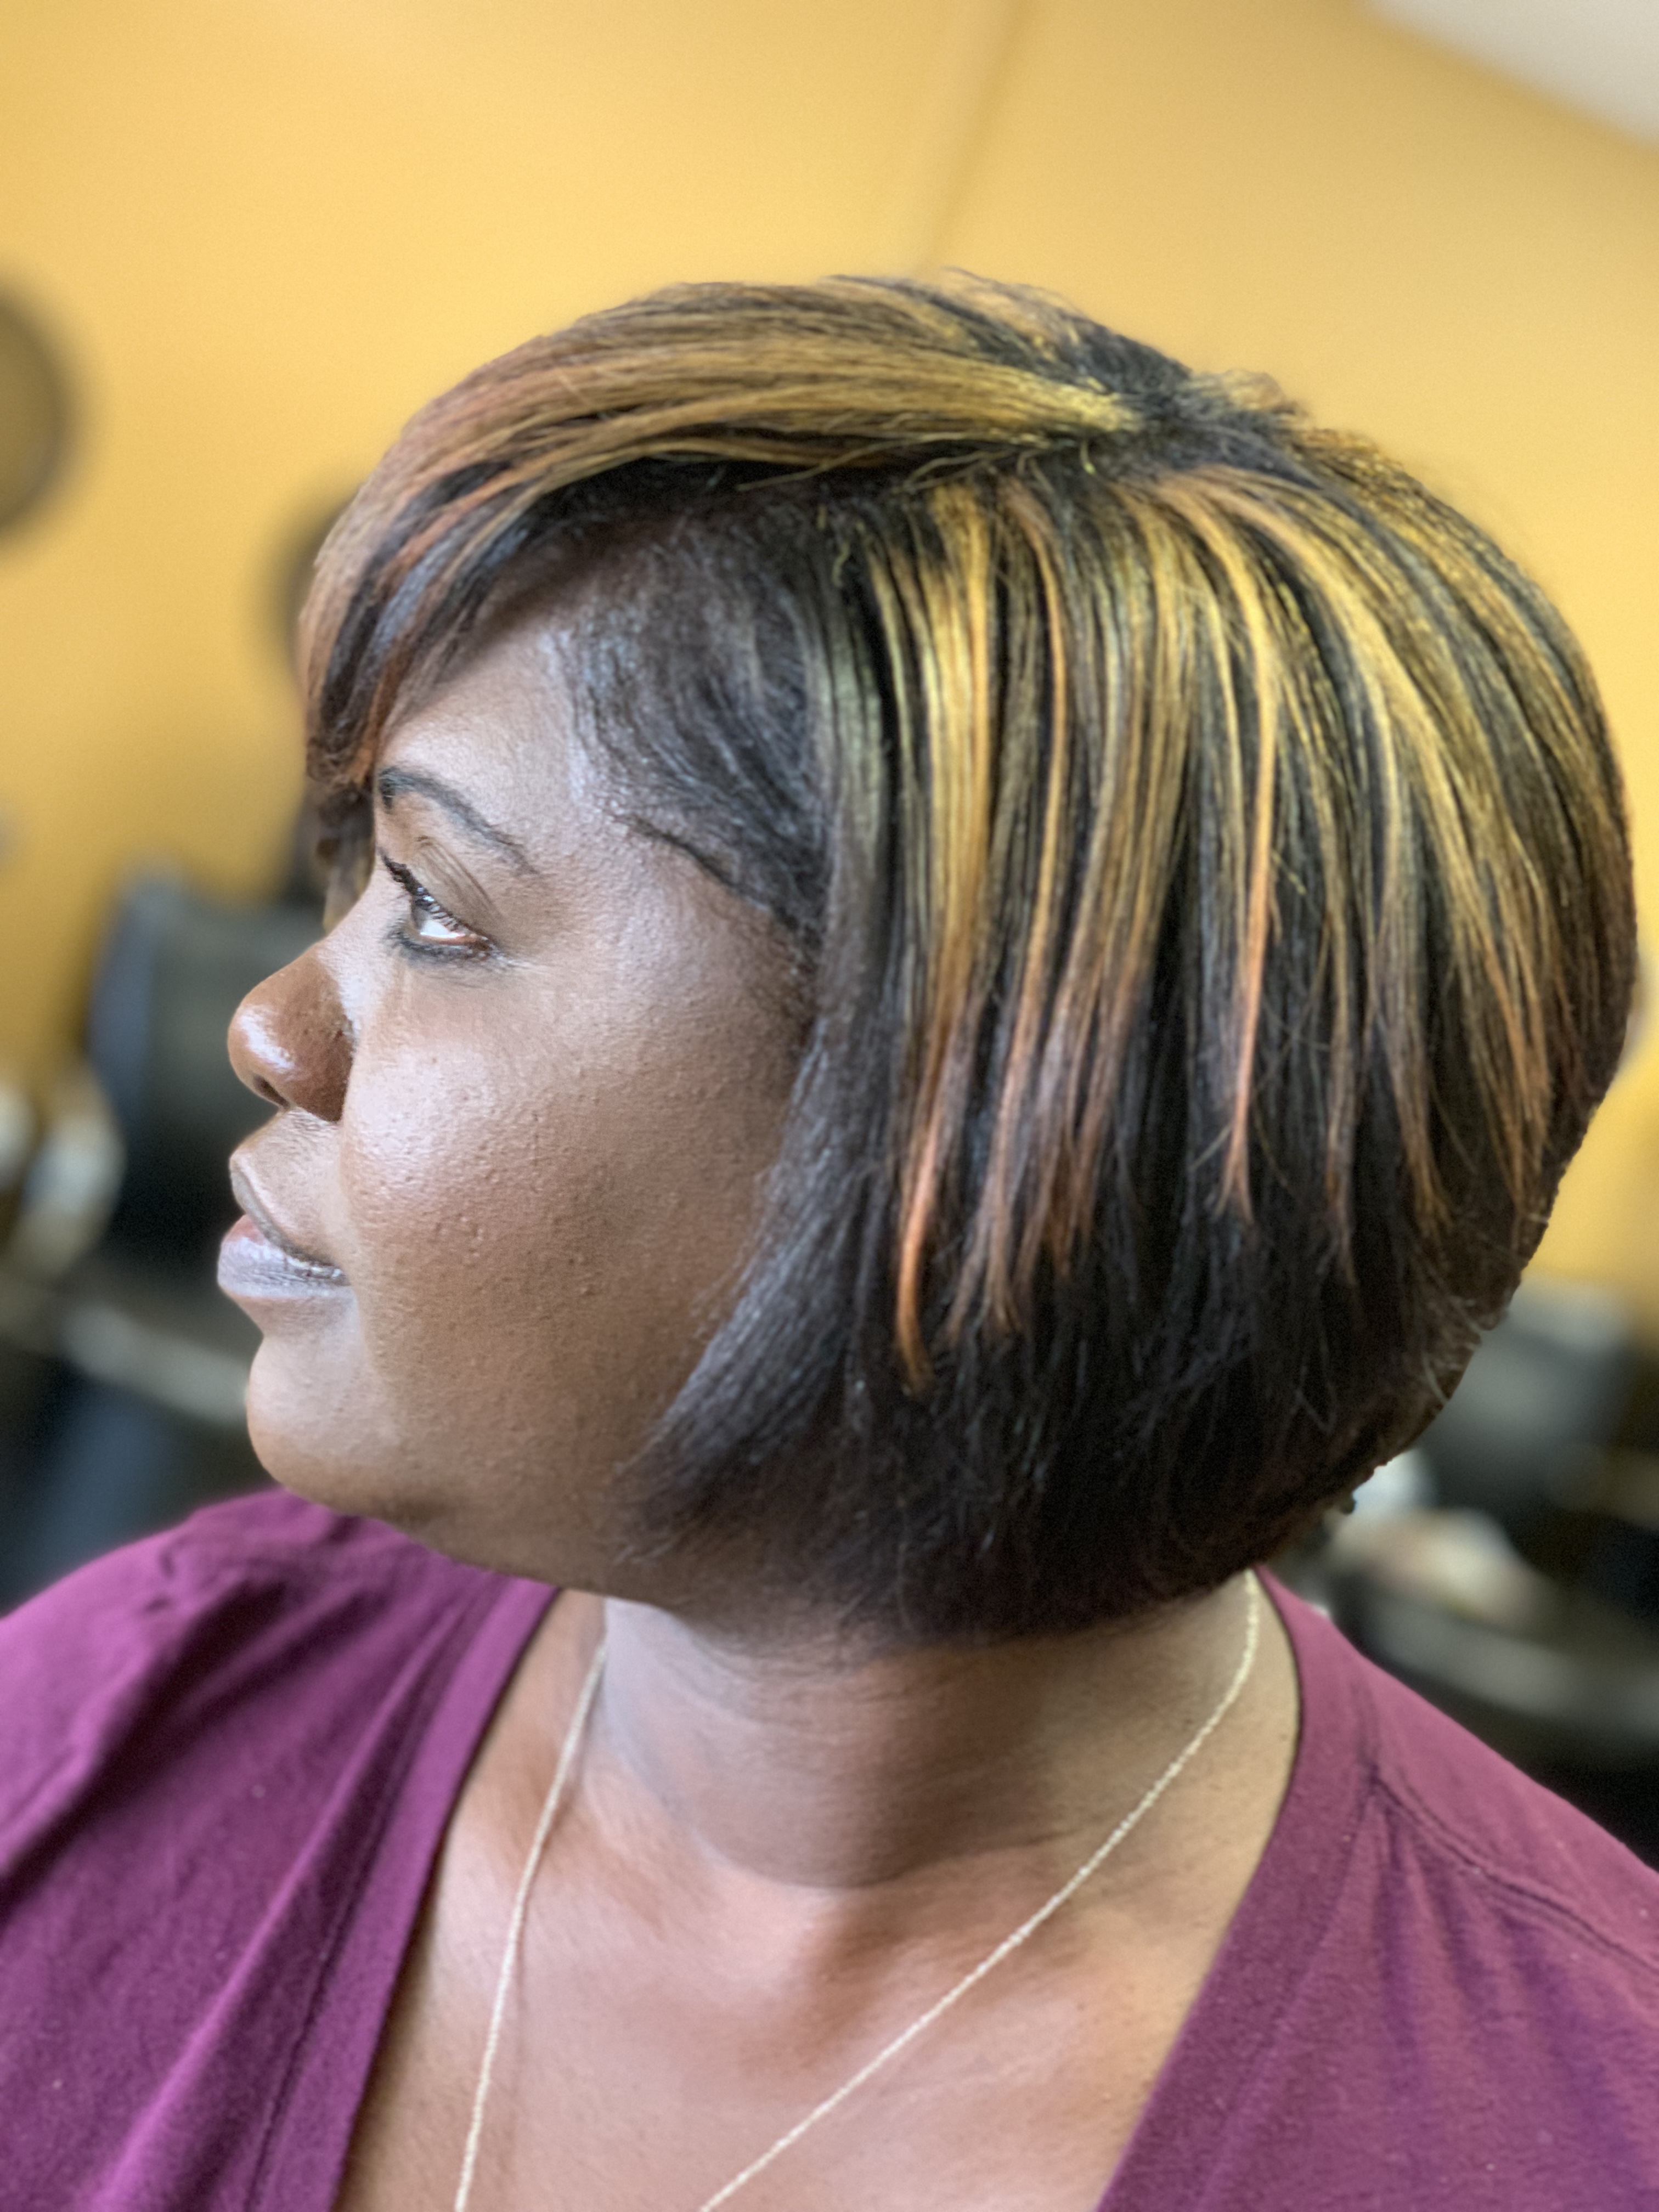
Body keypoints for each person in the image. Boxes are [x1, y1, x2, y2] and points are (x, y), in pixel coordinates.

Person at [0, 275, 1651, 2212]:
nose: (273, 1028)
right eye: (355, 871)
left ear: (987, 1137)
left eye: (437, 909)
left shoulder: (1568, 2128)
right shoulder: (130, 1722)